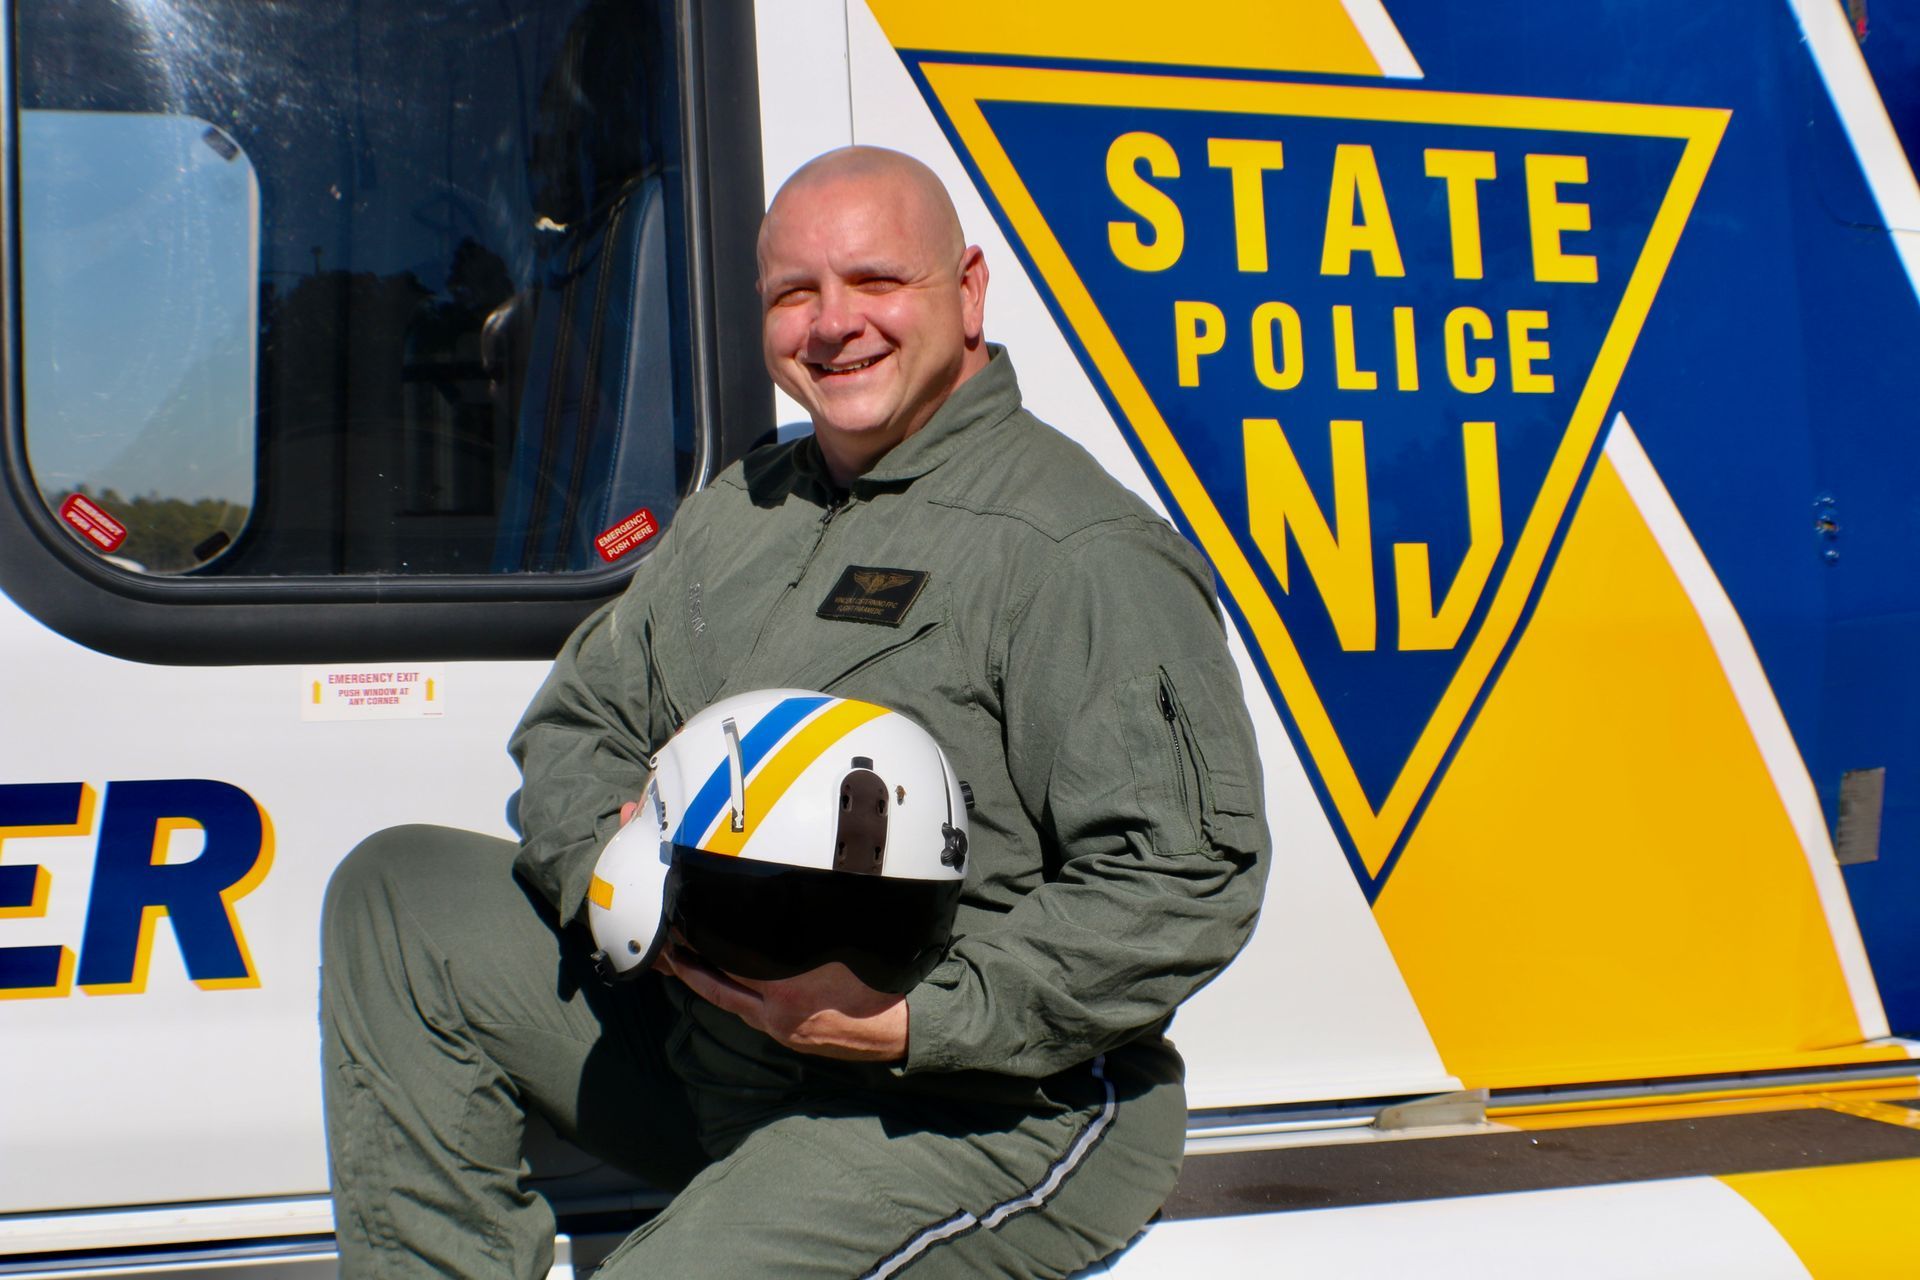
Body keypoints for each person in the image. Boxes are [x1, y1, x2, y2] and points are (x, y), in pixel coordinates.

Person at [320, 146, 1268, 1278]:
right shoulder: (744, 510)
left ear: (966, 293)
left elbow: (1184, 879)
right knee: (401, 895)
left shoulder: (1077, 549)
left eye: (876, 281)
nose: (833, 324)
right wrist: (620, 886)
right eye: (794, 294)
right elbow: (575, 726)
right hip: (716, 1043)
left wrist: (914, 1019)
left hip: (977, 1107)